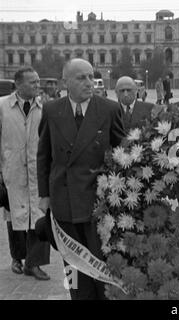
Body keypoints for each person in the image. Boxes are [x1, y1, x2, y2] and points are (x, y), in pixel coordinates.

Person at [37, 58, 126, 300]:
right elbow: (44, 155)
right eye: (81, 78)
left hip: (98, 204)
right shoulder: (52, 110)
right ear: (66, 81)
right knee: (74, 269)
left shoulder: (109, 109)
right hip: (64, 201)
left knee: (101, 266)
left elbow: (124, 155)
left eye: (91, 76)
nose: (90, 82)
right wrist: (44, 195)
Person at [0, 67, 51, 280]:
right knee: (15, 217)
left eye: (38, 81)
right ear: (18, 84)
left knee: (40, 217)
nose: (38, 85)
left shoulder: (45, 108)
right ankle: (17, 258)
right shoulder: (2, 106)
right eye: (33, 82)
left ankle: (34, 263)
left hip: (37, 172)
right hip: (11, 172)